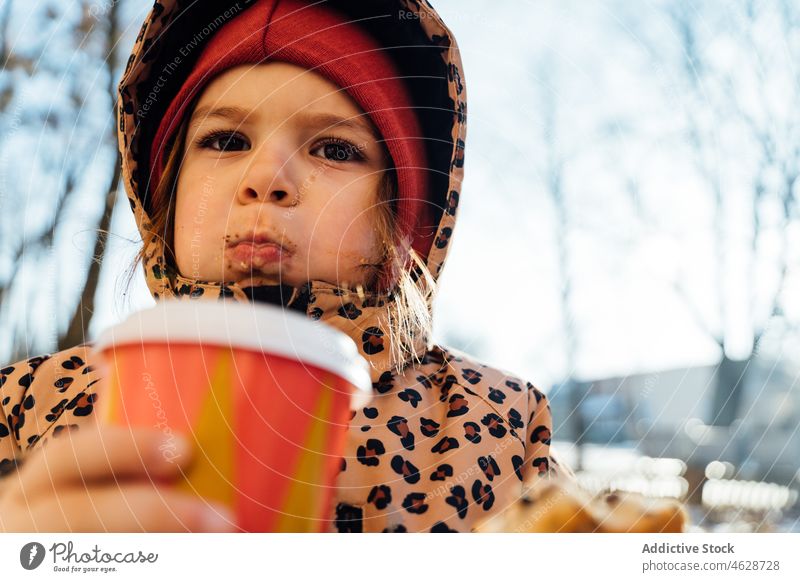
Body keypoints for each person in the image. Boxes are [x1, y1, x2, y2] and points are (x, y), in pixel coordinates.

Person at [0, 0, 572, 533]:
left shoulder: (500, 424)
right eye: (225, 141)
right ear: (166, 200)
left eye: (334, 150)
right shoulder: (28, 402)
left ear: (398, 225)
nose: (267, 179)